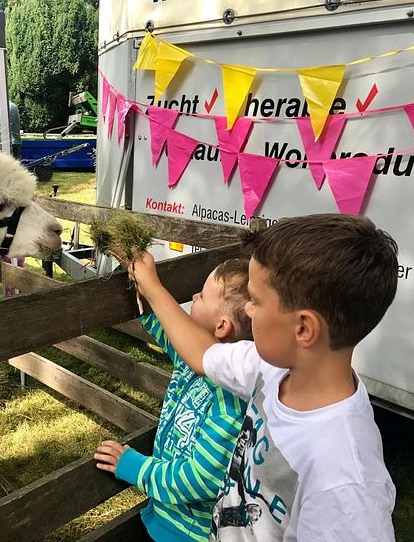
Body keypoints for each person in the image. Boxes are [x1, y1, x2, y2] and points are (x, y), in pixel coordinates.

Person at [127, 214, 398, 542]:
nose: (248, 311)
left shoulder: (346, 480)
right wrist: (152, 289)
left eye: (256, 301)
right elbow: (202, 354)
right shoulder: (270, 368)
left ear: (303, 329)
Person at [94, 258, 252, 542]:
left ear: (222, 326)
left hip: (189, 533)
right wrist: (133, 274)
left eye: (202, 296)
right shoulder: (188, 357)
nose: (193, 297)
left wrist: (132, 466)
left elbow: (200, 479)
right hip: (163, 518)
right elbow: (162, 321)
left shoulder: (231, 404)